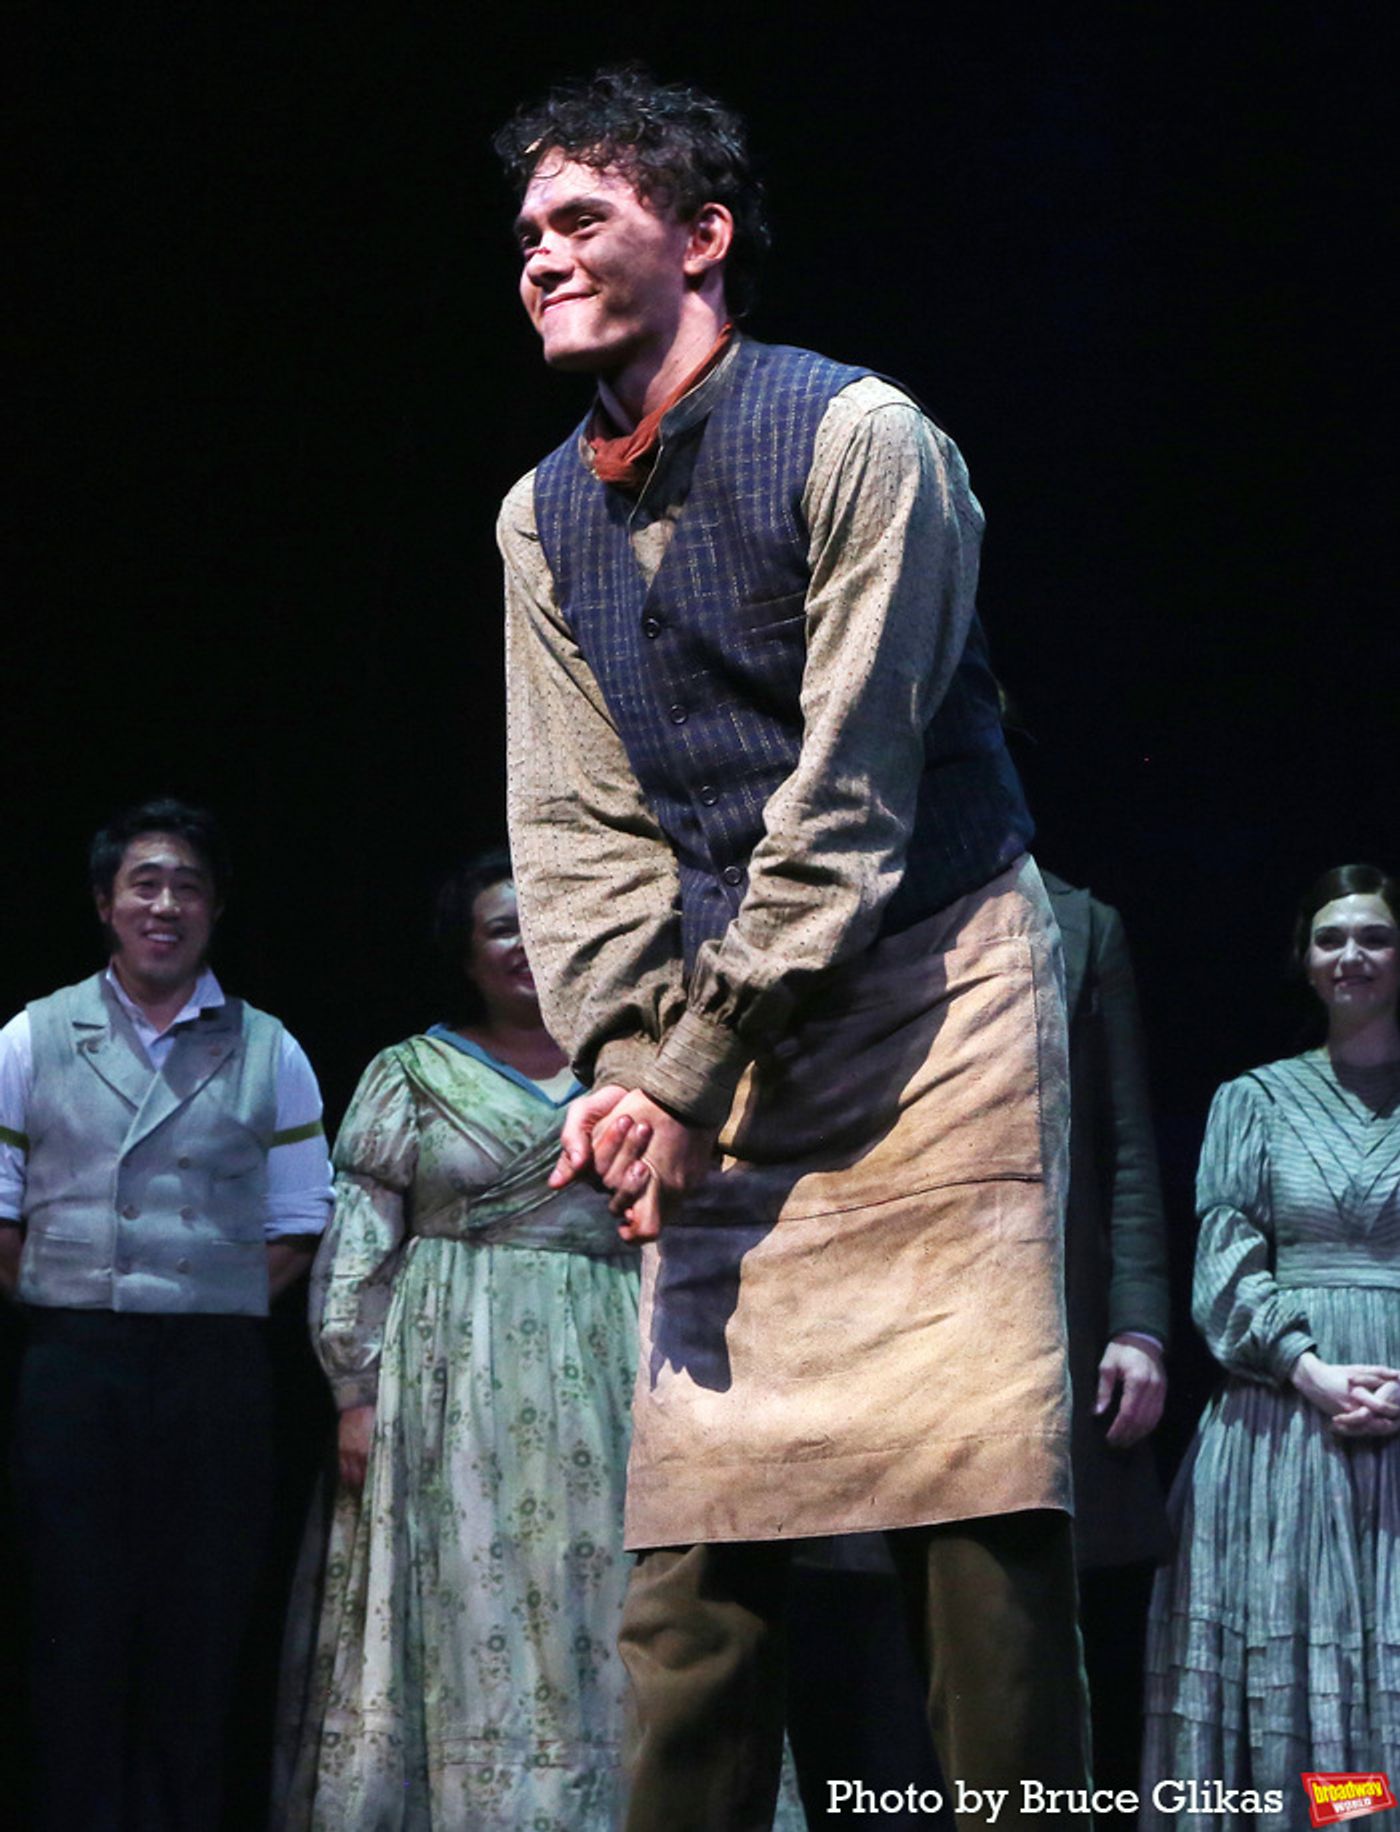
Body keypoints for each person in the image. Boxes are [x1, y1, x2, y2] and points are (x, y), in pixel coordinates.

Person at [495, 67, 1090, 1831]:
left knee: (980, 1532)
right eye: (525, 233)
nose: (538, 257)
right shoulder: (538, 520)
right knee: (689, 1563)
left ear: (703, 236)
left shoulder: (859, 440)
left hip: (932, 1000)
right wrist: (620, 1069)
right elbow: (577, 833)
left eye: (580, 219)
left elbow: (850, 804)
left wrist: (682, 1071)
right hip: (718, 1038)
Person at [279, 853, 642, 1830]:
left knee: (594, 1597)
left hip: (599, 1359)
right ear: (468, 954)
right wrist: (354, 1387)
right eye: (499, 929)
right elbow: (360, 1238)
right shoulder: (410, 1073)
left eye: (540, 924)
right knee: (463, 1592)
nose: (523, 947)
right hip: (450, 1369)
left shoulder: (633, 1067)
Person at [0, 795, 331, 1832]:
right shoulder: (32, 1034)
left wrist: (198, 1299)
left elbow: (296, 1225)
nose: (165, 902)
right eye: (144, 881)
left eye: (187, 885)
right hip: (72, 1364)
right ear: (106, 902)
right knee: (73, 1621)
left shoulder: (269, 1047)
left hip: (213, 1371)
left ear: (215, 909)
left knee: (201, 1623)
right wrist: (76, 1296)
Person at [1142, 863, 1400, 1824]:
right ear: (1305, 961)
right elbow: (1226, 1263)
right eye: (1331, 939)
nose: (1351, 956)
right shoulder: (1254, 1100)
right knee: (1304, 1651)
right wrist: (1313, 1371)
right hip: (1286, 1422)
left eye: (1373, 936)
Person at [1043, 873, 1170, 1802]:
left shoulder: (1081, 923)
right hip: (897, 1309)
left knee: (1058, 1623)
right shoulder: (859, 900)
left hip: (1053, 1310)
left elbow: (1125, 1143)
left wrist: (1138, 1327)